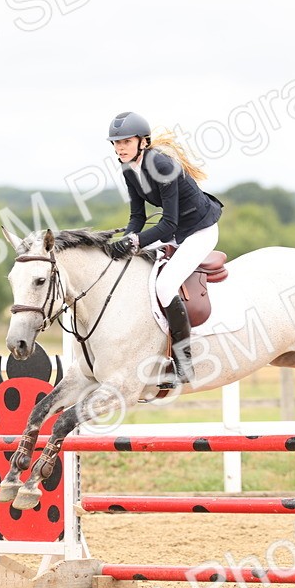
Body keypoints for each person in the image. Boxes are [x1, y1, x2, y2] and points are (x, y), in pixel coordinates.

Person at [106, 111, 223, 384]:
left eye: (125, 141)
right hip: (175, 230)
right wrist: (126, 239)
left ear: (142, 142)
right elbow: (138, 216)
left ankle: (184, 363)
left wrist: (135, 242)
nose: (119, 147)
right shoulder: (128, 169)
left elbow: (169, 224)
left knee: (164, 286)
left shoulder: (162, 165)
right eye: (116, 142)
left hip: (199, 231)